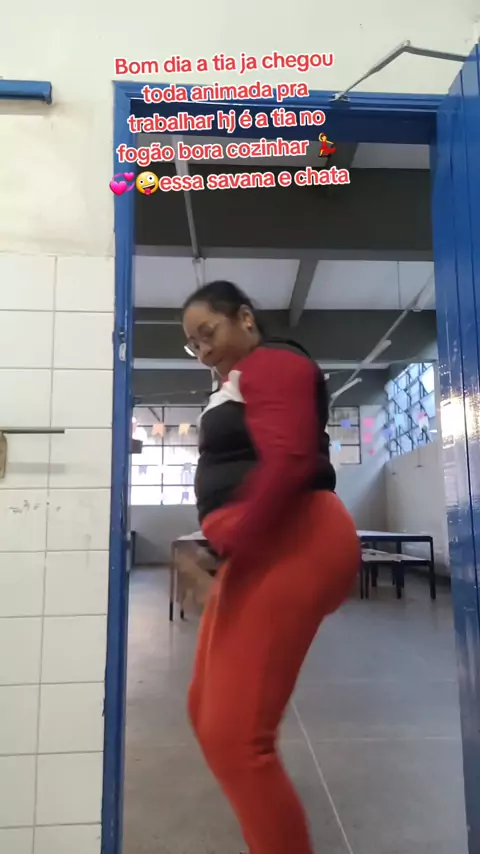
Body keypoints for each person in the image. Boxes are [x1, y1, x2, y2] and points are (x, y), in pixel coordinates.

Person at [182, 280, 359, 854]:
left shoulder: (274, 362)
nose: (203, 350)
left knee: (236, 740)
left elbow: (290, 461)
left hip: (296, 536)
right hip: (263, 544)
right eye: (193, 344)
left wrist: (236, 533)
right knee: (206, 714)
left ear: (245, 318)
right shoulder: (233, 383)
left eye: (208, 332)